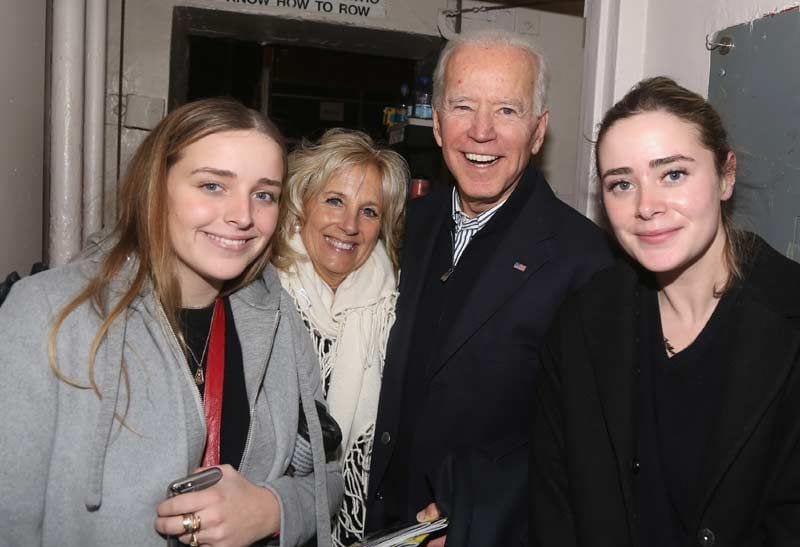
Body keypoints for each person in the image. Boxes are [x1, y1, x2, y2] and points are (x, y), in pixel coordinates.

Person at [0, 98, 343, 546]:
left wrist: (269, 508)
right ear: (155, 186)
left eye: (264, 195)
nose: (242, 216)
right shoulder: (47, 314)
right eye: (213, 186)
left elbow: (327, 478)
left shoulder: (280, 322)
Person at [365, 28, 614, 546]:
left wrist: (476, 510)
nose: (482, 132)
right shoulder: (404, 225)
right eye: (462, 107)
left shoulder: (586, 261)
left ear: (539, 130)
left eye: (507, 110)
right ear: (436, 123)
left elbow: (586, 444)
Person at [531, 76, 800, 546]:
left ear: (726, 175)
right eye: (621, 184)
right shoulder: (581, 323)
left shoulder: (788, 318)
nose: (646, 206)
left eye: (673, 173)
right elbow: (555, 510)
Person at [271, 128, 408, 546]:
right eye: (335, 201)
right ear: (301, 204)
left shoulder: (397, 306)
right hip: (270, 516)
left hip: (363, 525)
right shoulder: (260, 294)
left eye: (369, 211)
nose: (349, 225)